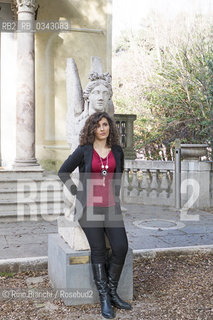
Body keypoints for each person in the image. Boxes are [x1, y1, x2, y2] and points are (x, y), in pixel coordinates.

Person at [58, 111, 132, 319]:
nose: (102, 128)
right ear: (92, 128)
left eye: (105, 124)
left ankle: (112, 291)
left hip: (110, 207)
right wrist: (76, 192)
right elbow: (63, 171)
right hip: (88, 208)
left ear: (110, 127)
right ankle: (105, 299)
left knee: (120, 247)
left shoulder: (117, 151)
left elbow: (118, 176)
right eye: (98, 125)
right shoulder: (84, 150)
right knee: (99, 250)